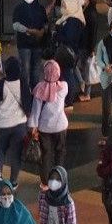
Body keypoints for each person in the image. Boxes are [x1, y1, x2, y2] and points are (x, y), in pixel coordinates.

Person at [0, 57, 33, 188]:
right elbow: (28, 106)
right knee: (16, 154)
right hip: (19, 125)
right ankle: (13, 182)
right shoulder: (23, 84)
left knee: (0, 151)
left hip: (1, 125)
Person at [29, 60, 69, 188]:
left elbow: (35, 111)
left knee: (46, 154)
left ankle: (45, 182)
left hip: (44, 128)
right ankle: (60, 177)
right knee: (60, 152)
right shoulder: (64, 87)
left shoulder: (39, 89)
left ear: (44, 73)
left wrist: (33, 127)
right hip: (61, 126)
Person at [13, 0, 48, 86]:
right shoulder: (18, 8)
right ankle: (25, 92)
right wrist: (29, 30)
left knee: (36, 69)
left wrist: (41, 31)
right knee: (25, 69)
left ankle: (35, 91)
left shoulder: (40, 8)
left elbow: (45, 23)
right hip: (24, 44)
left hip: (38, 44)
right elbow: (15, 25)